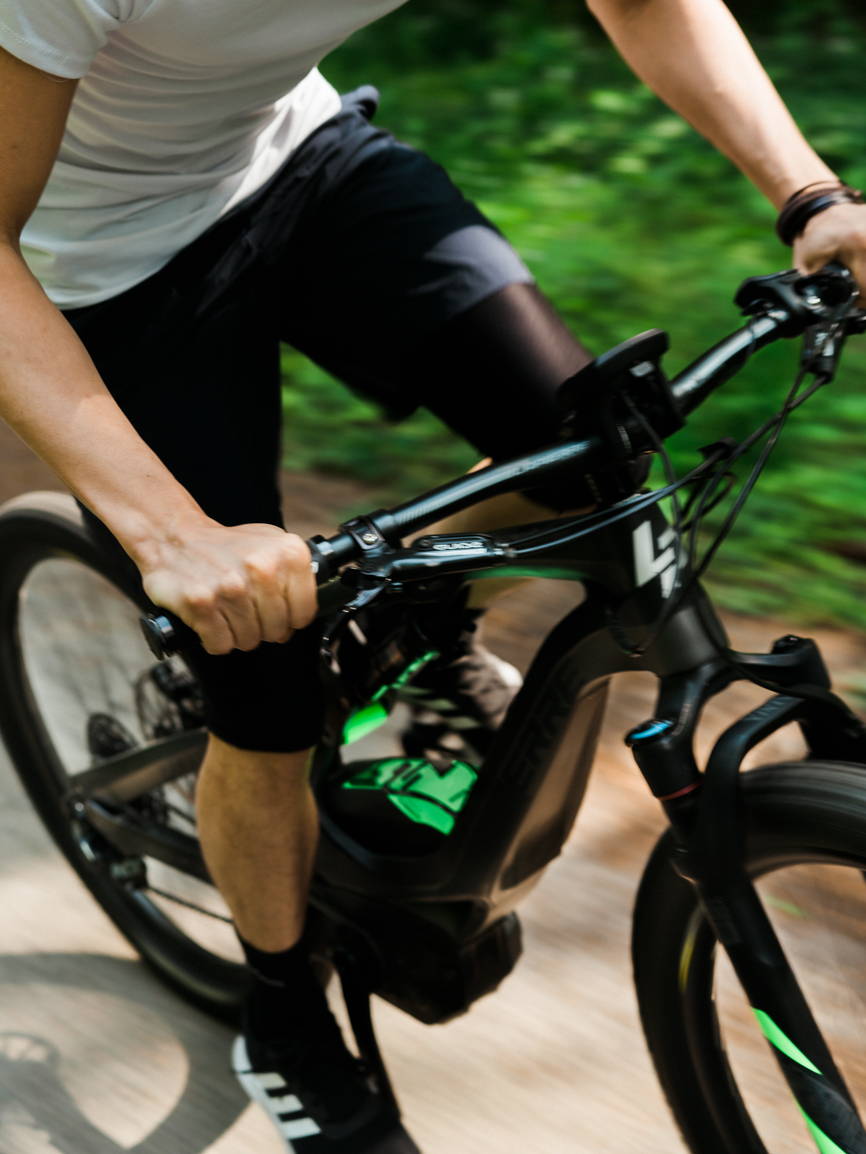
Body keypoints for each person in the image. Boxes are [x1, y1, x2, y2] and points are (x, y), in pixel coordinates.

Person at [0, 1, 864, 1151]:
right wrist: (171, 537)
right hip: (114, 264)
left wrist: (810, 196)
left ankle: (414, 630)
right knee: (262, 678)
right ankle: (282, 1009)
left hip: (299, 157)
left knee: (586, 453)